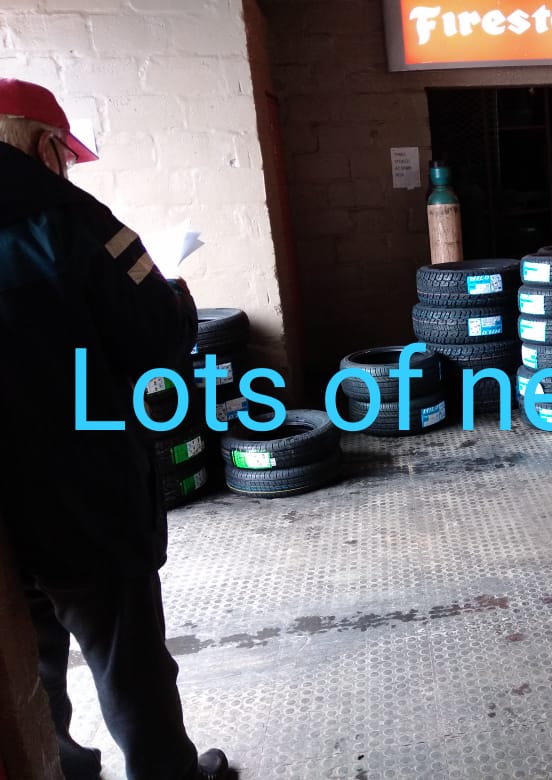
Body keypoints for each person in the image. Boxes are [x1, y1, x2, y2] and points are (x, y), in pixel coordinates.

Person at [0, 79, 231, 780]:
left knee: (27, 657)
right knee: (127, 656)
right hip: (81, 488)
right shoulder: (72, 220)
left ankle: (62, 767)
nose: (67, 167)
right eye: (66, 155)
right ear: (45, 146)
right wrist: (177, 298)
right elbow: (157, 339)